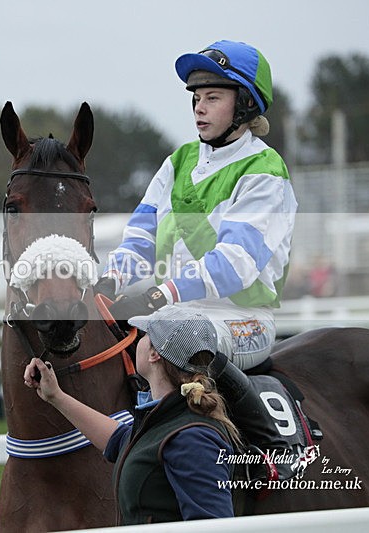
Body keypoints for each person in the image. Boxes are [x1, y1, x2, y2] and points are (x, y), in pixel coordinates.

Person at [95, 40, 298, 472]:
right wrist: (109, 280)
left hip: (243, 320)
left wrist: (161, 294)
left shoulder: (264, 170)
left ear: (244, 104)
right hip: (174, 310)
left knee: (175, 340)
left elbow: (235, 263)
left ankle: (263, 454)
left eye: (213, 98)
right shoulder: (177, 161)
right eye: (196, 99)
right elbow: (140, 240)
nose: (199, 109)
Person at [24, 306, 238, 525]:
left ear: (155, 354)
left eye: (145, 336)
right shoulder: (167, 417)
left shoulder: (192, 438)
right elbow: (120, 440)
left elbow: (214, 524)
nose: (139, 340)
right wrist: (56, 396)